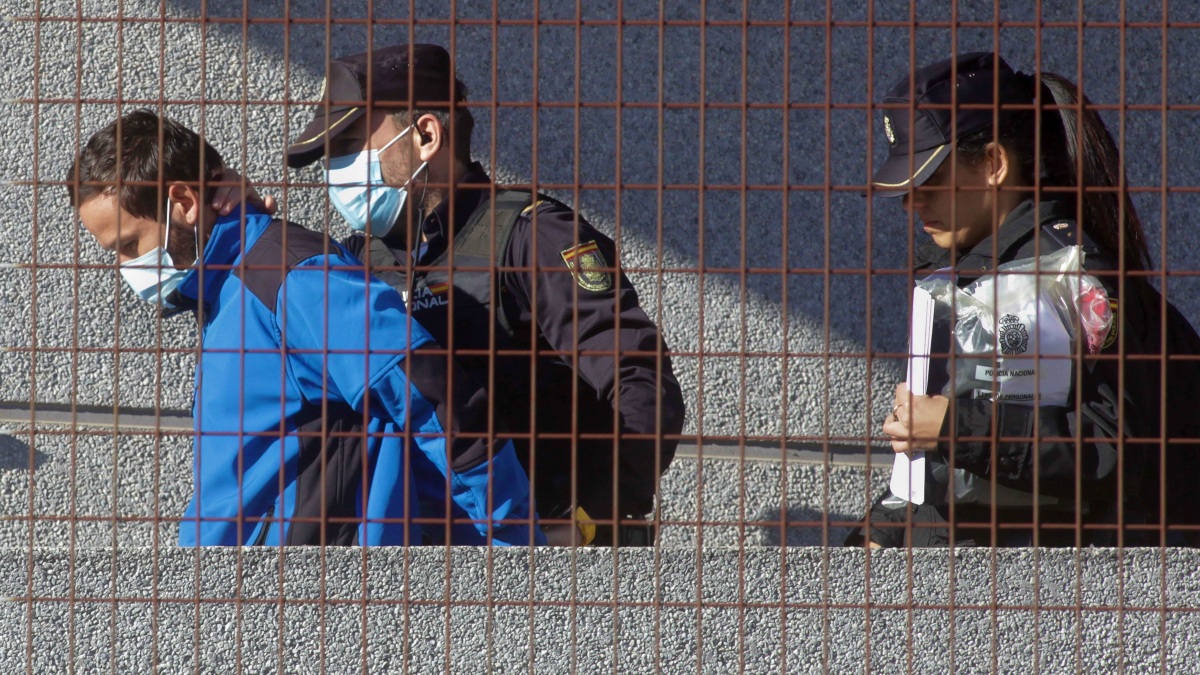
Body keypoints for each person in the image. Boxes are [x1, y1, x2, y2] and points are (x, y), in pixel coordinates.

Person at [268, 43, 686, 547]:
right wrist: (255, 239)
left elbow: (641, 379)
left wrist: (588, 522)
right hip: (419, 557)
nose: (336, 170)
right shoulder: (356, 260)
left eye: (351, 144)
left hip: (544, 561)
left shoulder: (531, 236)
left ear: (426, 135)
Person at [67, 109, 544, 547]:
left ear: (185, 201)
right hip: (230, 609)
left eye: (129, 244)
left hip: (310, 610)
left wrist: (512, 553)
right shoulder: (225, 293)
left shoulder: (294, 279)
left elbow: (436, 399)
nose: (128, 265)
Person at [846, 51, 1173, 547]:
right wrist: (881, 530)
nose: (913, 201)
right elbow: (955, 470)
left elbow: (1112, 451)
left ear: (995, 164)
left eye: (929, 179)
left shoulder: (1073, 274)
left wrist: (954, 427)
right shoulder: (965, 269)